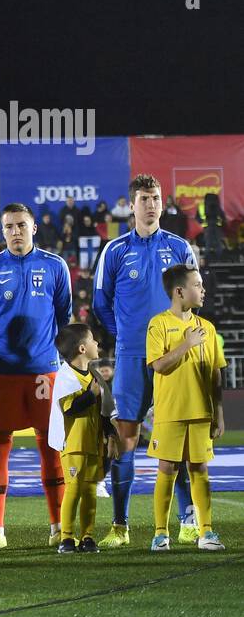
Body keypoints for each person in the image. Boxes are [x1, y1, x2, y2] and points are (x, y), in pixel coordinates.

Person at [93, 175, 198, 547]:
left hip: (172, 358)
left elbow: (195, 297)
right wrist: (122, 336)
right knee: (126, 438)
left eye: (155, 198)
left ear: (161, 203)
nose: (150, 205)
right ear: (132, 205)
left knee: (178, 439)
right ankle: (120, 526)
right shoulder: (115, 250)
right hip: (131, 356)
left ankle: (187, 520)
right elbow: (101, 302)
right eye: (143, 199)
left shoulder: (181, 247)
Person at [0, 203, 73, 549]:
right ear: (3, 231)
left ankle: (58, 526)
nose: (16, 231)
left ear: (34, 228)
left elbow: (64, 314)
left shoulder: (55, 266)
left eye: (21, 225)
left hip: (45, 371)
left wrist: (46, 348)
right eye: (9, 226)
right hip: (1, 372)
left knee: (51, 448)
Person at [145, 265, 225, 551]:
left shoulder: (209, 328)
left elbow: (215, 374)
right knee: (167, 468)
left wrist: (219, 413)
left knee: (199, 469)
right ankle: (160, 533)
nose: (203, 290)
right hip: (170, 410)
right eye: (197, 285)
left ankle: (206, 533)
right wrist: (186, 344)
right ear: (179, 291)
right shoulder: (159, 324)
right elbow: (159, 365)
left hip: (201, 411)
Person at [47, 323, 114, 554]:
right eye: (93, 340)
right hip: (74, 444)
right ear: (82, 349)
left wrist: (109, 434)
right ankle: (66, 537)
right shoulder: (66, 376)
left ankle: (87, 536)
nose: (98, 344)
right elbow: (70, 408)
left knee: (89, 490)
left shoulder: (94, 375)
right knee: (74, 489)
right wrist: (91, 395)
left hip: (92, 443)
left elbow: (104, 409)